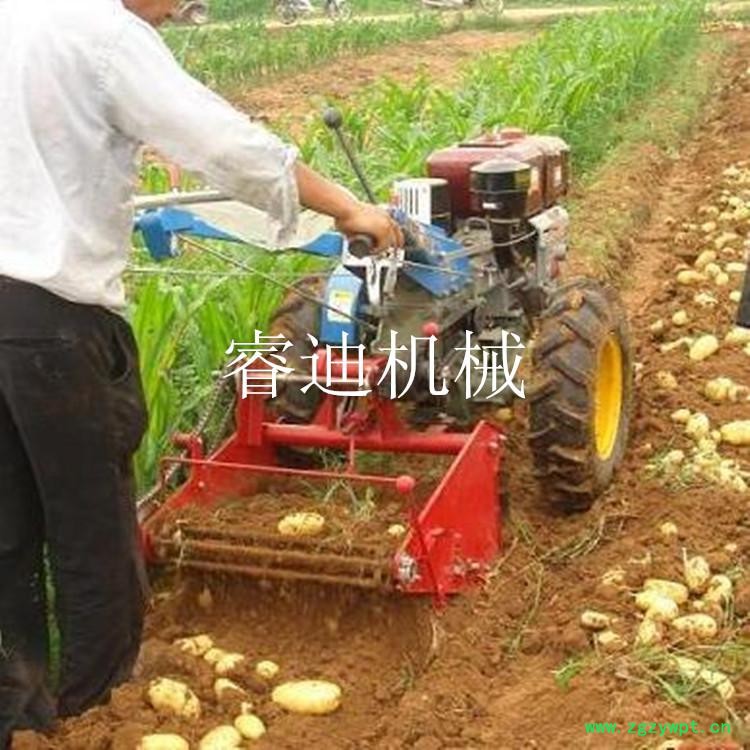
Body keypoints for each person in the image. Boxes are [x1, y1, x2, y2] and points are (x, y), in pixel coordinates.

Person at [0, 0, 402, 746]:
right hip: (56, 323)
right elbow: (230, 146)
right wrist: (349, 209)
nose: (177, 13)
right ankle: (98, 720)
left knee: (7, 535)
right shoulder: (104, 35)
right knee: (92, 536)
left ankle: (18, 721)